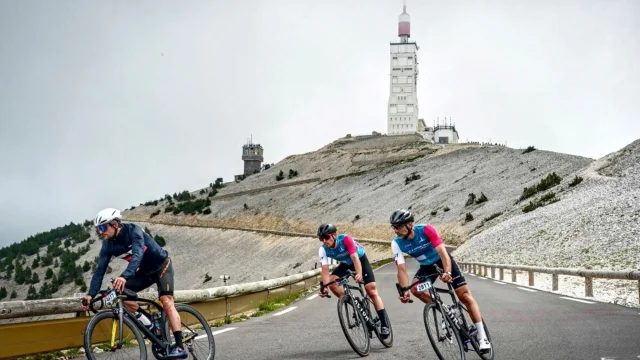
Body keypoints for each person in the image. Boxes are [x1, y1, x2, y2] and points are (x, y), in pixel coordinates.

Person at [82, 208, 187, 359]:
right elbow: (99, 271)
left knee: (166, 301)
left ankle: (179, 346)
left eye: (103, 227)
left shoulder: (133, 231)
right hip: (144, 272)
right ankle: (151, 325)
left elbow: (138, 255)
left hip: (161, 266)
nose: (100, 232)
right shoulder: (107, 245)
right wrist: (90, 295)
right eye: (98, 229)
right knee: (120, 294)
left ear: (115, 224)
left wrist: (124, 276)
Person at [389, 209, 491, 352]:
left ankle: (483, 336)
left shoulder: (426, 230)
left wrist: (448, 272)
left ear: (410, 224)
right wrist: (404, 289)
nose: (396, 230)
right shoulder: (396, 243)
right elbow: (402, 269)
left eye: (398, 226)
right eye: (393, 227)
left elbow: (443, 253)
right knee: (414, 289)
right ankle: (444, 309)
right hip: (426, 268)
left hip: (443, 261)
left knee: (464, 296)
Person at [317, 223, 390, 338]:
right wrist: (325, 287)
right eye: (321, 239)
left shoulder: (346, 239)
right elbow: (325, 269)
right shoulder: (323, 250)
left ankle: (384, 324)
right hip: (345, 264)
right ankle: (352, 301)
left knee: (371, 291)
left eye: (326, 237)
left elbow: (355, 258)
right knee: (332, 284)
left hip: (360, 260)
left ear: (334, 235)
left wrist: (359, 274)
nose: (324, 241)